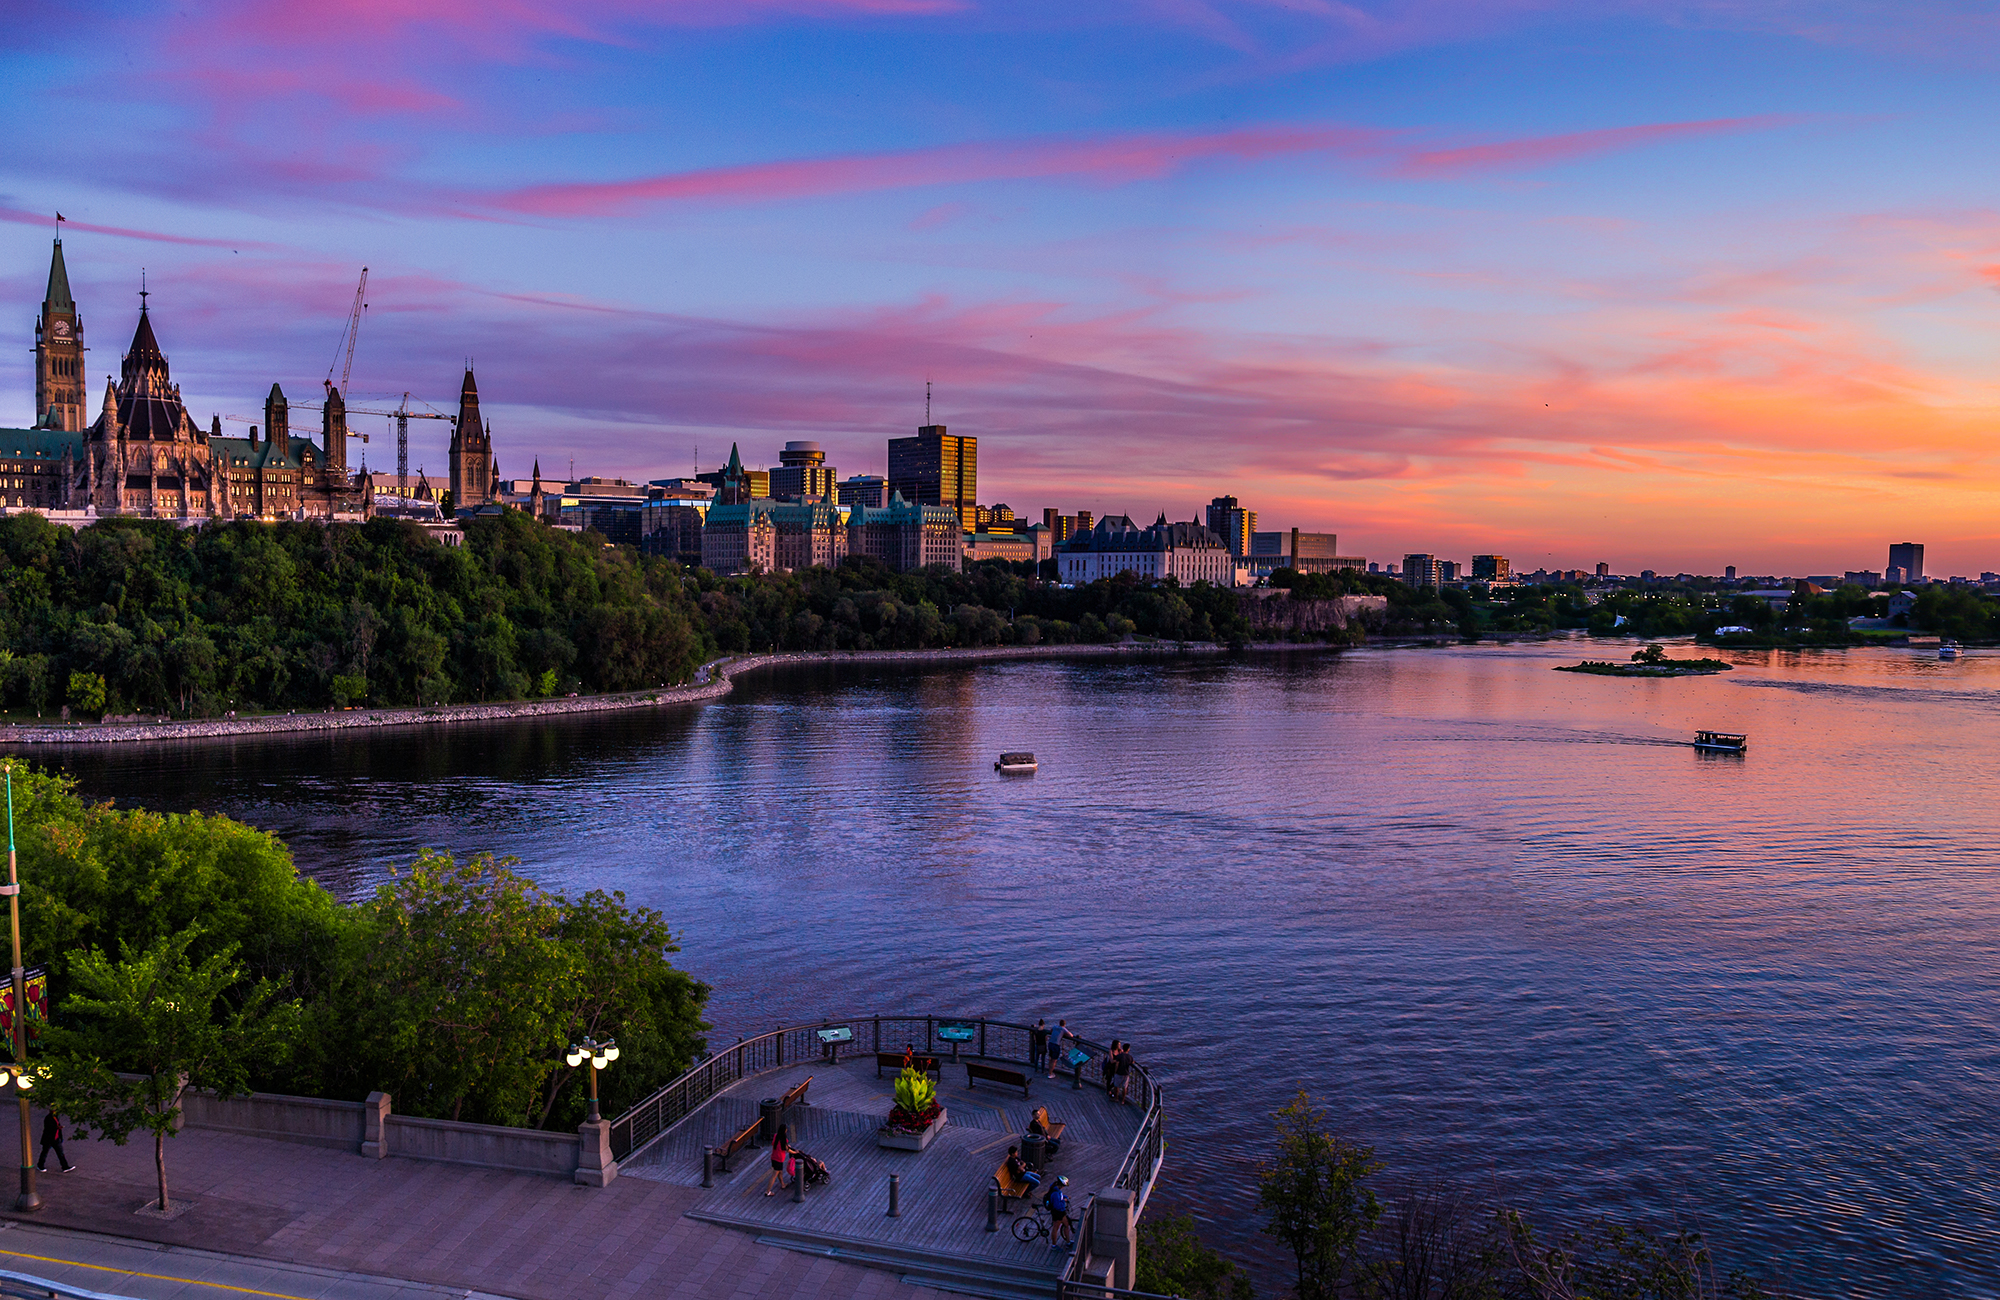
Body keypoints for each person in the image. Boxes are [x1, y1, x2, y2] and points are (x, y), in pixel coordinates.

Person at [763, 1123, 794, 1196]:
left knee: (780, 1172)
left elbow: (776, 1145)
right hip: (779, 1159)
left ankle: (783, 1184)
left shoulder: (775, 1136)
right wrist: (795, 1152)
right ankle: (768, 1191)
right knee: (774, 1175)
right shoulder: (784, 1140)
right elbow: (788, 1150)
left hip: (773, 1157)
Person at [1045, 1175, 1074, 1247]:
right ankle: (1054, 1245)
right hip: (1058, 1212)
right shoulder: (1055, 1193)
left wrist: (1065, 1197)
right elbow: (1057, 1205)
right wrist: (1064, 1201)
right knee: (1056, 1228)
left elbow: (1060, 1197)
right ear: (1061, 1185)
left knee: (1066, 1225)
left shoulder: (1056, 1190)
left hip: (1060, 1212)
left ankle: (1068, 1242)